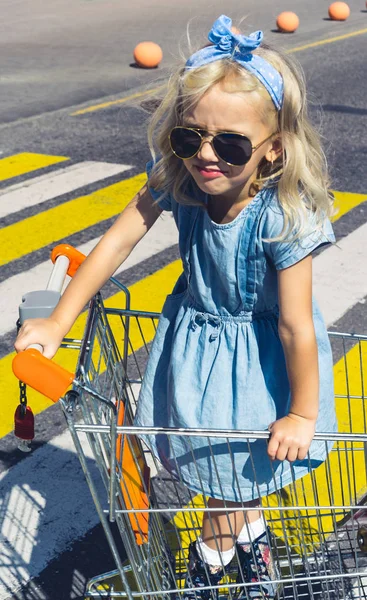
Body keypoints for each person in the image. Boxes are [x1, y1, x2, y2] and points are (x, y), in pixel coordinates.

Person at [15, 14, 338, 600]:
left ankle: (212, 560)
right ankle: (247, 544)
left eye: (232, 144)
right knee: (230, 474)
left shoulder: (284, 216)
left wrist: (303, 414)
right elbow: (118, 239)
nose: (205, 156)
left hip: (262, 362)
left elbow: (294, 325)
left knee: (233, 475)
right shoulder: (180, 179)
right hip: (198, 349)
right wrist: (59, 320)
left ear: (273, 152)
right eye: (190, 138)